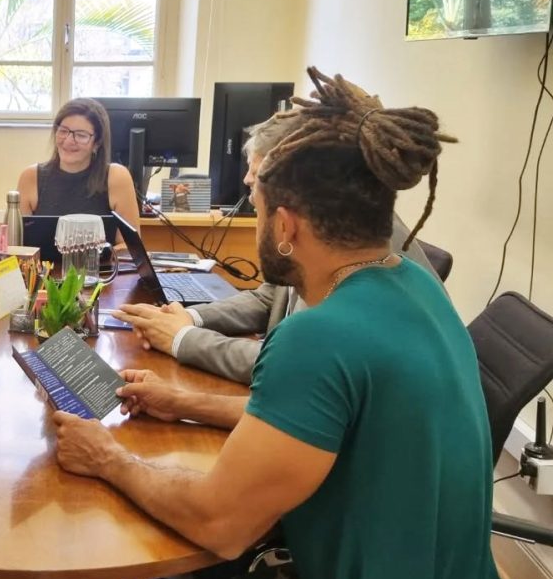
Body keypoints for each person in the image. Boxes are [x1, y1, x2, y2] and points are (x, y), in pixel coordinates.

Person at [53, 68, 504, 579]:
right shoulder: (417, 286)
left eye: (259, 205)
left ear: (285, 226)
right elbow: (319, 423)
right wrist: (183, 402)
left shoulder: (318, 336)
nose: (257, 216)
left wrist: (107, 457)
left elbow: (220, 524)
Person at [113, 113, 442, 396]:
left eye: (256, 174)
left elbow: (293, 366)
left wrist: (182, 338)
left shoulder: (352, 252)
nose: (246, 181)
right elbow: (270, 298)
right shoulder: (335, 235)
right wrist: (189, 319)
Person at [15, 97, 141, 244]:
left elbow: (129, 247)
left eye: (81, 135)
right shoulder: (30, 177)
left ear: (97, 143)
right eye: (63, 131)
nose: (68, 141)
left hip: (101, 260)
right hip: (44, 260)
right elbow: (16, 243)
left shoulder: (117, 177)